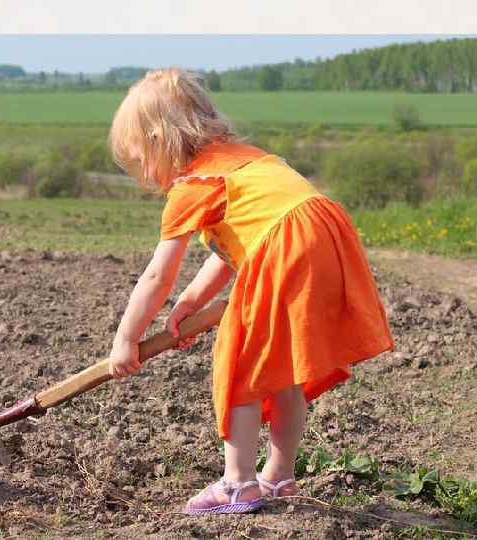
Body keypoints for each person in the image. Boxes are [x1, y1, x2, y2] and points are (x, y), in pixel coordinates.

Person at [106, 68, 394, 514]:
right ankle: (279, 476)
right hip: (325, 233)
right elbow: (227, 252)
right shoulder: (248, 160)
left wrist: (126, 338)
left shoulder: (196, 184)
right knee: (282, 368)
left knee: (241, 365)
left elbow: (156, 276)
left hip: (286, 245)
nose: (145, 172)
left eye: (141, 158)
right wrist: (189, 304)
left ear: (161, 141)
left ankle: (237, 484)